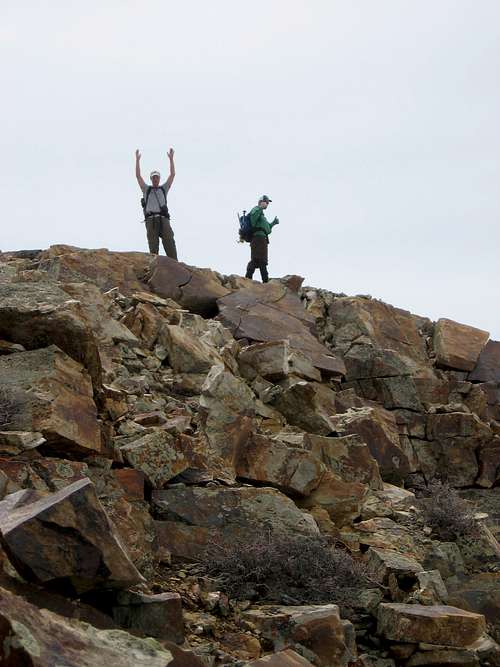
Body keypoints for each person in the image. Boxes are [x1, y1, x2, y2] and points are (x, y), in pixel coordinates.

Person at [135, 148, 177, 259]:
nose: (155, 179)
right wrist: (137, 160)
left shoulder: (163, 189)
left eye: (157, 177)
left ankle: (175, 265)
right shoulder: (146, 189)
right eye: (153, 177)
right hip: (150, 220)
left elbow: (172, 175)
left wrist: (171, 159)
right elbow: (138, 176)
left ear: (159, 179)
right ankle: (155, 266)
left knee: (169, 242)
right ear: (151, 179)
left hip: (163, 219)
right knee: (153, 247)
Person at [245, 195, 279, 283]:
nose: (267, 204)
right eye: (266, 202)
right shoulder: (256, 209)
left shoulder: (263, 217)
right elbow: (253, 220)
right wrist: (260, 208)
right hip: (257, 239)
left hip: (262, 239)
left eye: (268, 202)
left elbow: (267, 229)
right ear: (261, 202)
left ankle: (251, 279)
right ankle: (259, 280)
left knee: (261, 260)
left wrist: (273, 223)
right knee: (258, 259)